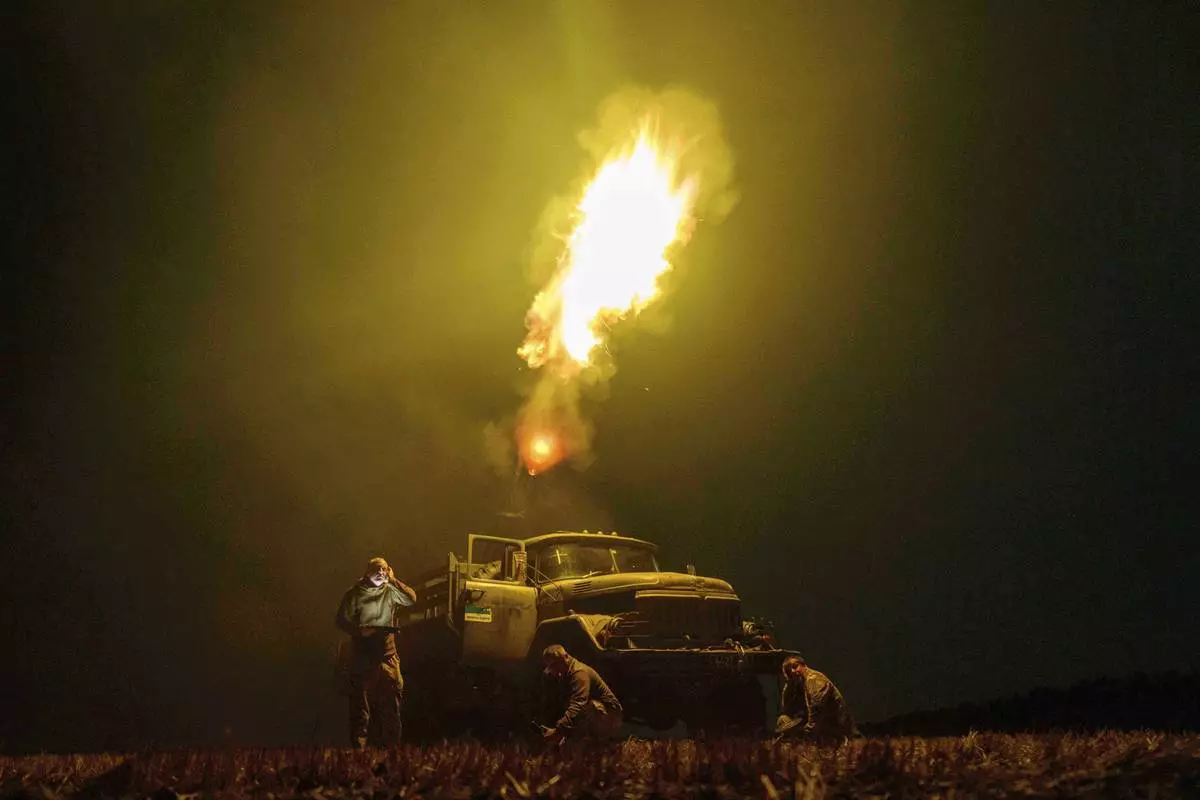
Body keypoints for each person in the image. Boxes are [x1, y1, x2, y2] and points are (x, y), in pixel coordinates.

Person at [334, 556, 417, 748]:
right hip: (364, 657)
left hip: (388, 657)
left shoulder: (390, 591)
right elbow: (341, 620)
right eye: (377, 569)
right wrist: (359, 631)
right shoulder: (355, 593)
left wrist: (393, 580)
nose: (381, 572)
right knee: (360, 708)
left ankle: (392, 750)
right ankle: (359, 751)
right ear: (367, 572)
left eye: (384, 569)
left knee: (392, 707)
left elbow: (411, 599)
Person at [540, 645, 623, 744]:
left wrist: (558, 731)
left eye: (557, 663)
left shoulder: (579, 673)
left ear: (566, 657)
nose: (555, 668)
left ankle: (600, 741)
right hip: (592, 714)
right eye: (551, 666)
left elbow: (578, 704)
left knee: (589, 707)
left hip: (609, 715)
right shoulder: (563, 673)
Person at [775, 655, 857, 744]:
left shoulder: (814, 679)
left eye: (795, 666)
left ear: (803, 665)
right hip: (824, 727)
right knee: (784, 719)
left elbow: (816, 711)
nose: (792, 671)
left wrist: (806, 736)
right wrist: (789, 683)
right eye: (788, 671)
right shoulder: (801, 683)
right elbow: (787, 709)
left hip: (837, 729)